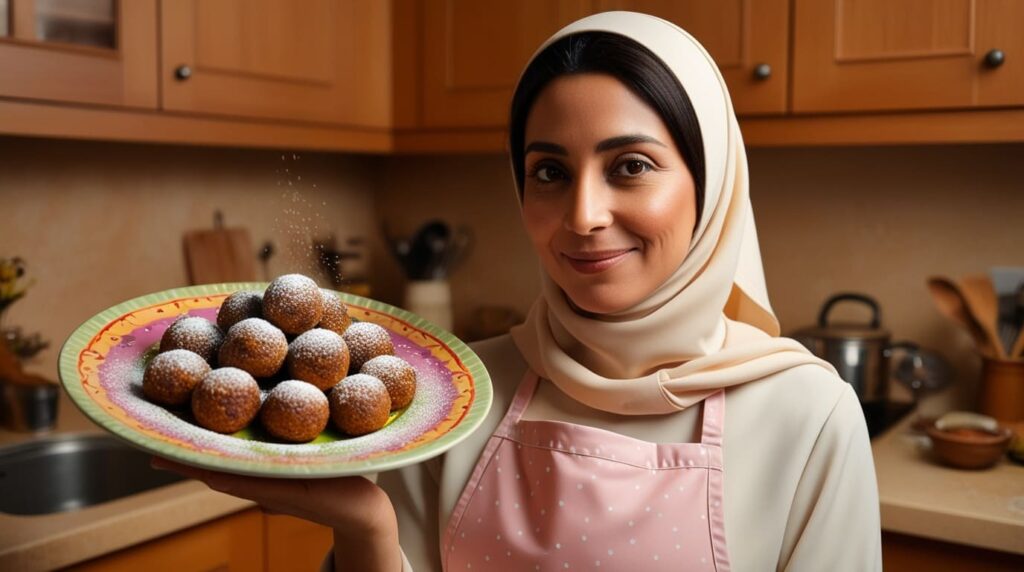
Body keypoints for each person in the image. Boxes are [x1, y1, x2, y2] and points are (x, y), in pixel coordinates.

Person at [156, 12, 882, 571]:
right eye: (549, 172)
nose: (584, 216)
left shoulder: (808, 417)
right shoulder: (455, 394)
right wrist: (365, 527)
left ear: (712, 184)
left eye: (630, 165)